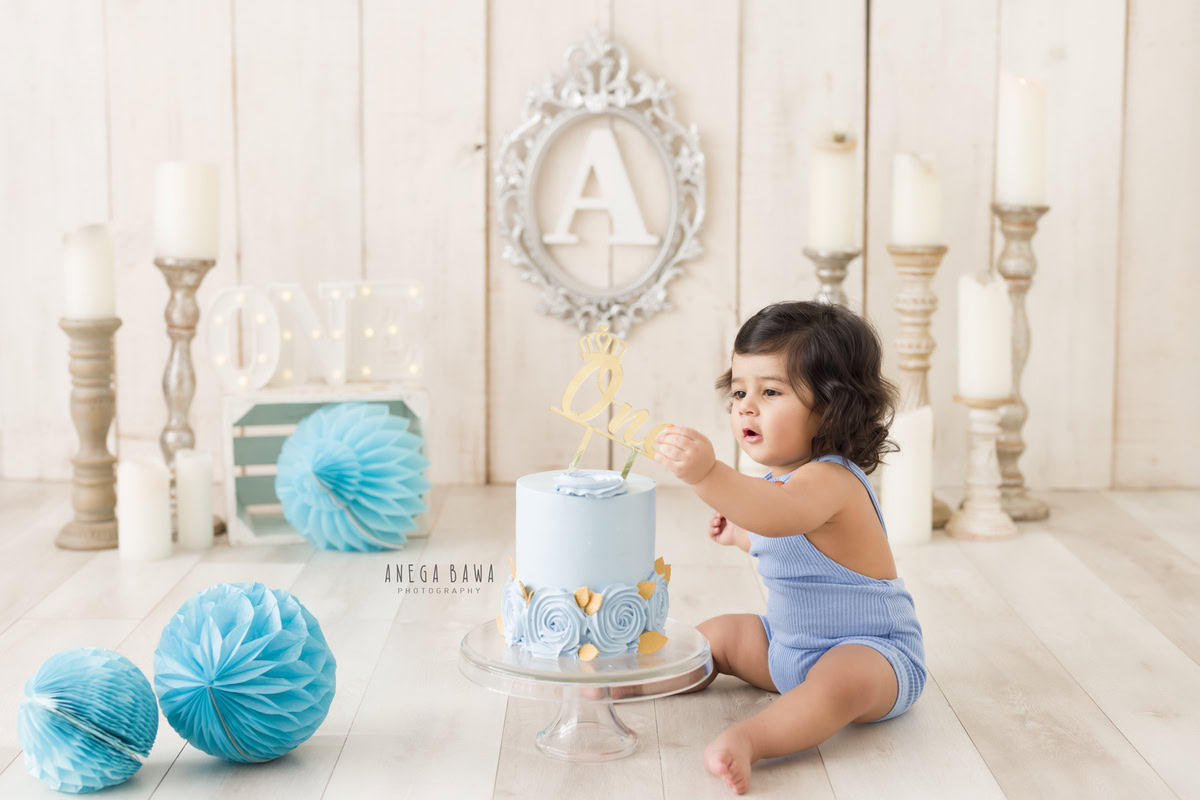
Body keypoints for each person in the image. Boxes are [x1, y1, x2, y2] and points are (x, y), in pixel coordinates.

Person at [653, 301, 926, 795]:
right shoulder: (779, 487)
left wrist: (707, 474)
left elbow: (779, 515)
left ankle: (750, 740)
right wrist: (738, 535)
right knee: (719, 635)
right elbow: (778, 532)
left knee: (838, 683)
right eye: (739, 391)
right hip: (787, 649)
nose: (745, 407)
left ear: (832, 407)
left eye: (770, 391)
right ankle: (645, 678)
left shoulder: (832, 480)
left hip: (873, 655)